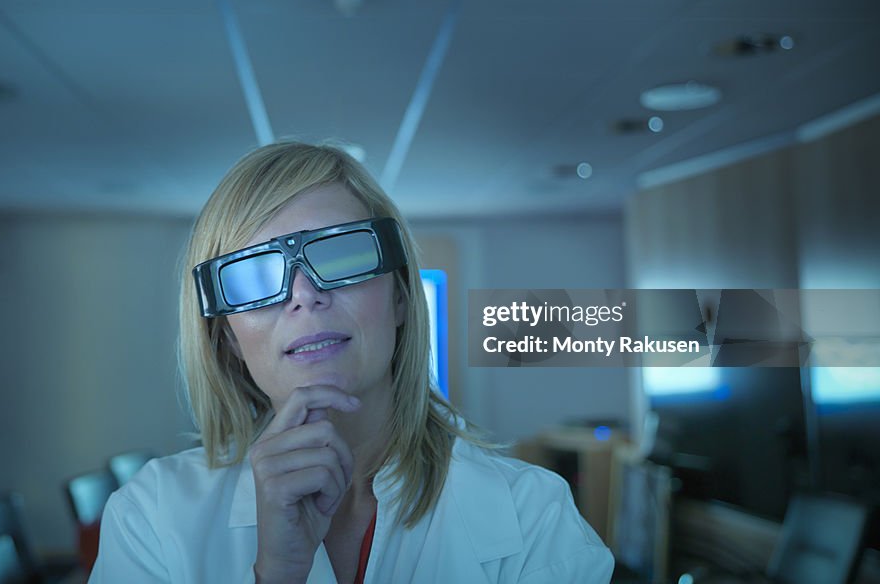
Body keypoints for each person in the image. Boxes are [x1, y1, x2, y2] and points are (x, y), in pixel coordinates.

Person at [90, 142, 613, 583]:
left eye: (340, 255)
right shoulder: (152, 516)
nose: (304, 295)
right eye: (252, 276)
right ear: (226, 335)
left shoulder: (534, 516)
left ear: (402, 297)